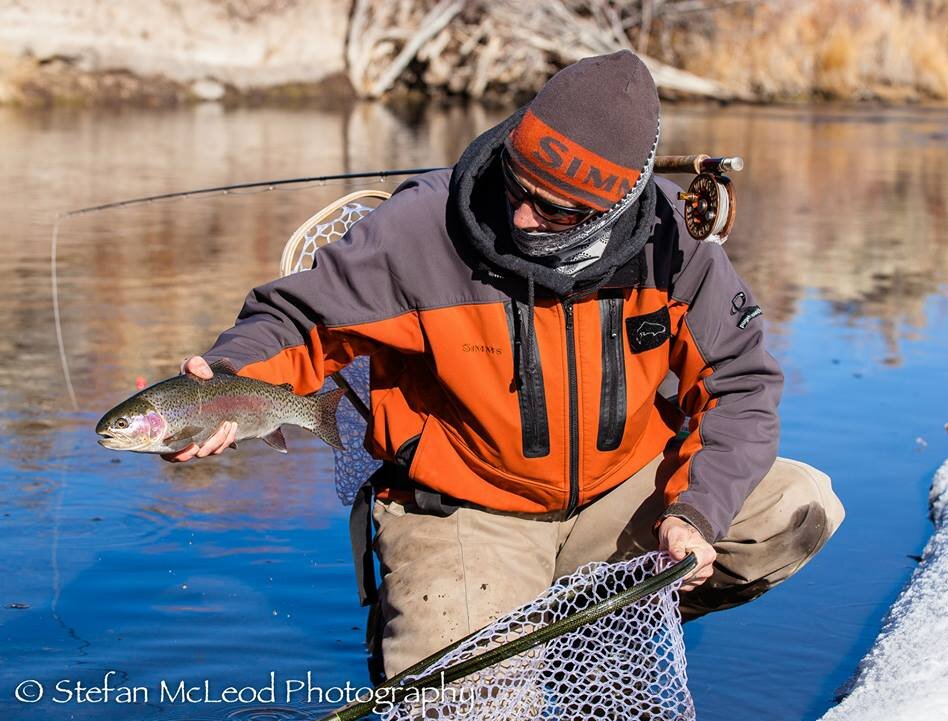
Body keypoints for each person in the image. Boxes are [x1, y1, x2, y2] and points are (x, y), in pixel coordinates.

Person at [166, 50, 844, 680]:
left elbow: (742, 384)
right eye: (518, 184)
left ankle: (588, 623)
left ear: (615, 207)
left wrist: (697, 513)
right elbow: (297, 321)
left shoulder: (674, 243)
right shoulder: (420, 230)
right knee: (460, 709)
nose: (520, 213)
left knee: (798, 506)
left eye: (553, 208)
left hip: (620, 494)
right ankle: (477, 622)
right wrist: (231, 377)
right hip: (466, 508)